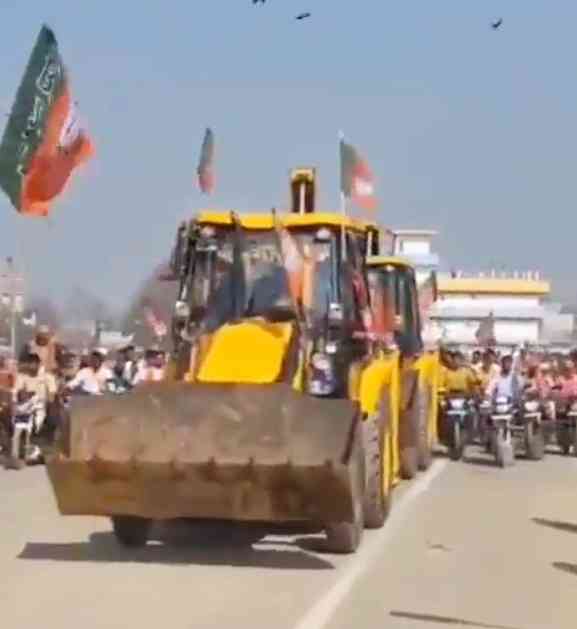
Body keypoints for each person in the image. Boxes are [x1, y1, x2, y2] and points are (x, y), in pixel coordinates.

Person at [12, 353, 58, 433]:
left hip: (42, 404)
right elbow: (15, 394)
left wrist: (49, 404)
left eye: (32, 363)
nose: (30, 366)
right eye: (28, 363)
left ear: (38, 364)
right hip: (25, 404)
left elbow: (52, 395)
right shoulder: (21, 377)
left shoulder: (48, 377)